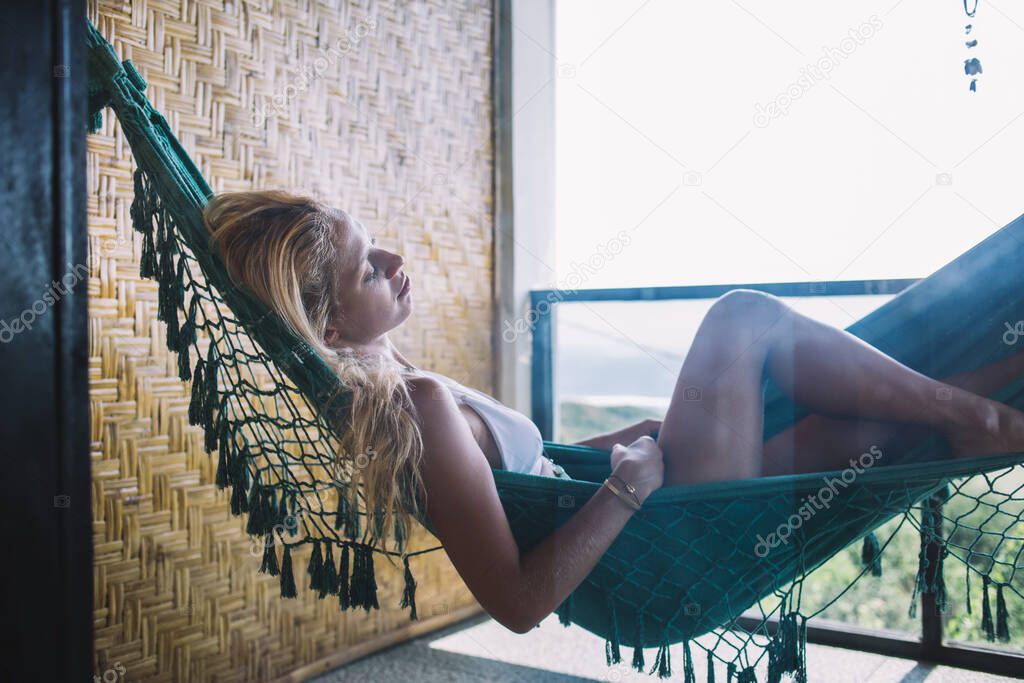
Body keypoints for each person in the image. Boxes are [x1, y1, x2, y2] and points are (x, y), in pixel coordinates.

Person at [203, 190, 1024, 634]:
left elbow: (534, 476)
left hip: (654, 512)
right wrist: (627, 486)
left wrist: (618, 450)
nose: (394, 260)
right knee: (742, 319)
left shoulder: (405, 384)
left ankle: (1001, 400)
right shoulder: (414, 409)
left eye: (376, 244)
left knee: (866, 434)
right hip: (658, 548)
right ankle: (985, 417)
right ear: (334, 327)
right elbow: (518, 605)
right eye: (369, 269)